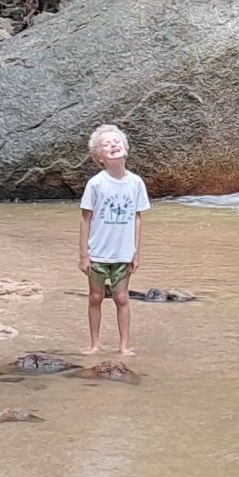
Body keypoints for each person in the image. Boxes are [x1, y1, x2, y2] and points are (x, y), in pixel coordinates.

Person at [79, 123, 149, 356]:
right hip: (98, 253)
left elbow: (137, 218)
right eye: (106, 144)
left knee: (122, 298)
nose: (113, 145)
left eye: (117, 141)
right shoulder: (96, 184)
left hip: (123, 253)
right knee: (95, 297)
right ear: (99, 157)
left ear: (126, 148)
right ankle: (95, 344)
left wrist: (136, 252)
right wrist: (83, 256)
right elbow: (85, 220)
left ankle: (124, 345)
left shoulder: (136, 183)